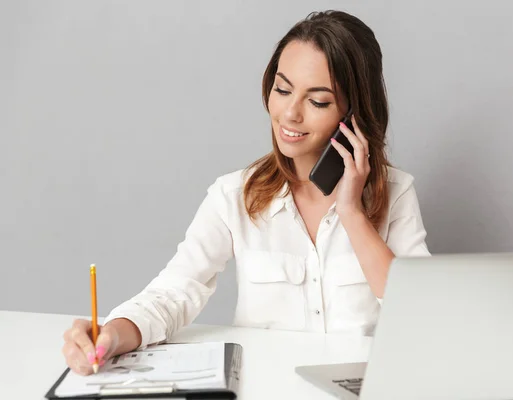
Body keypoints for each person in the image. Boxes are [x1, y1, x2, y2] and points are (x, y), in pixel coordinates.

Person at [61, 10, 430, 376]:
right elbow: (174, 293)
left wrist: (352, 213)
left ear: (354, 115)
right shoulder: (233, 195)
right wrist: (111, 333)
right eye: (282, 89)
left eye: (317, 101)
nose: (289, 113)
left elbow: (420, 317)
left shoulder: (397, 194)